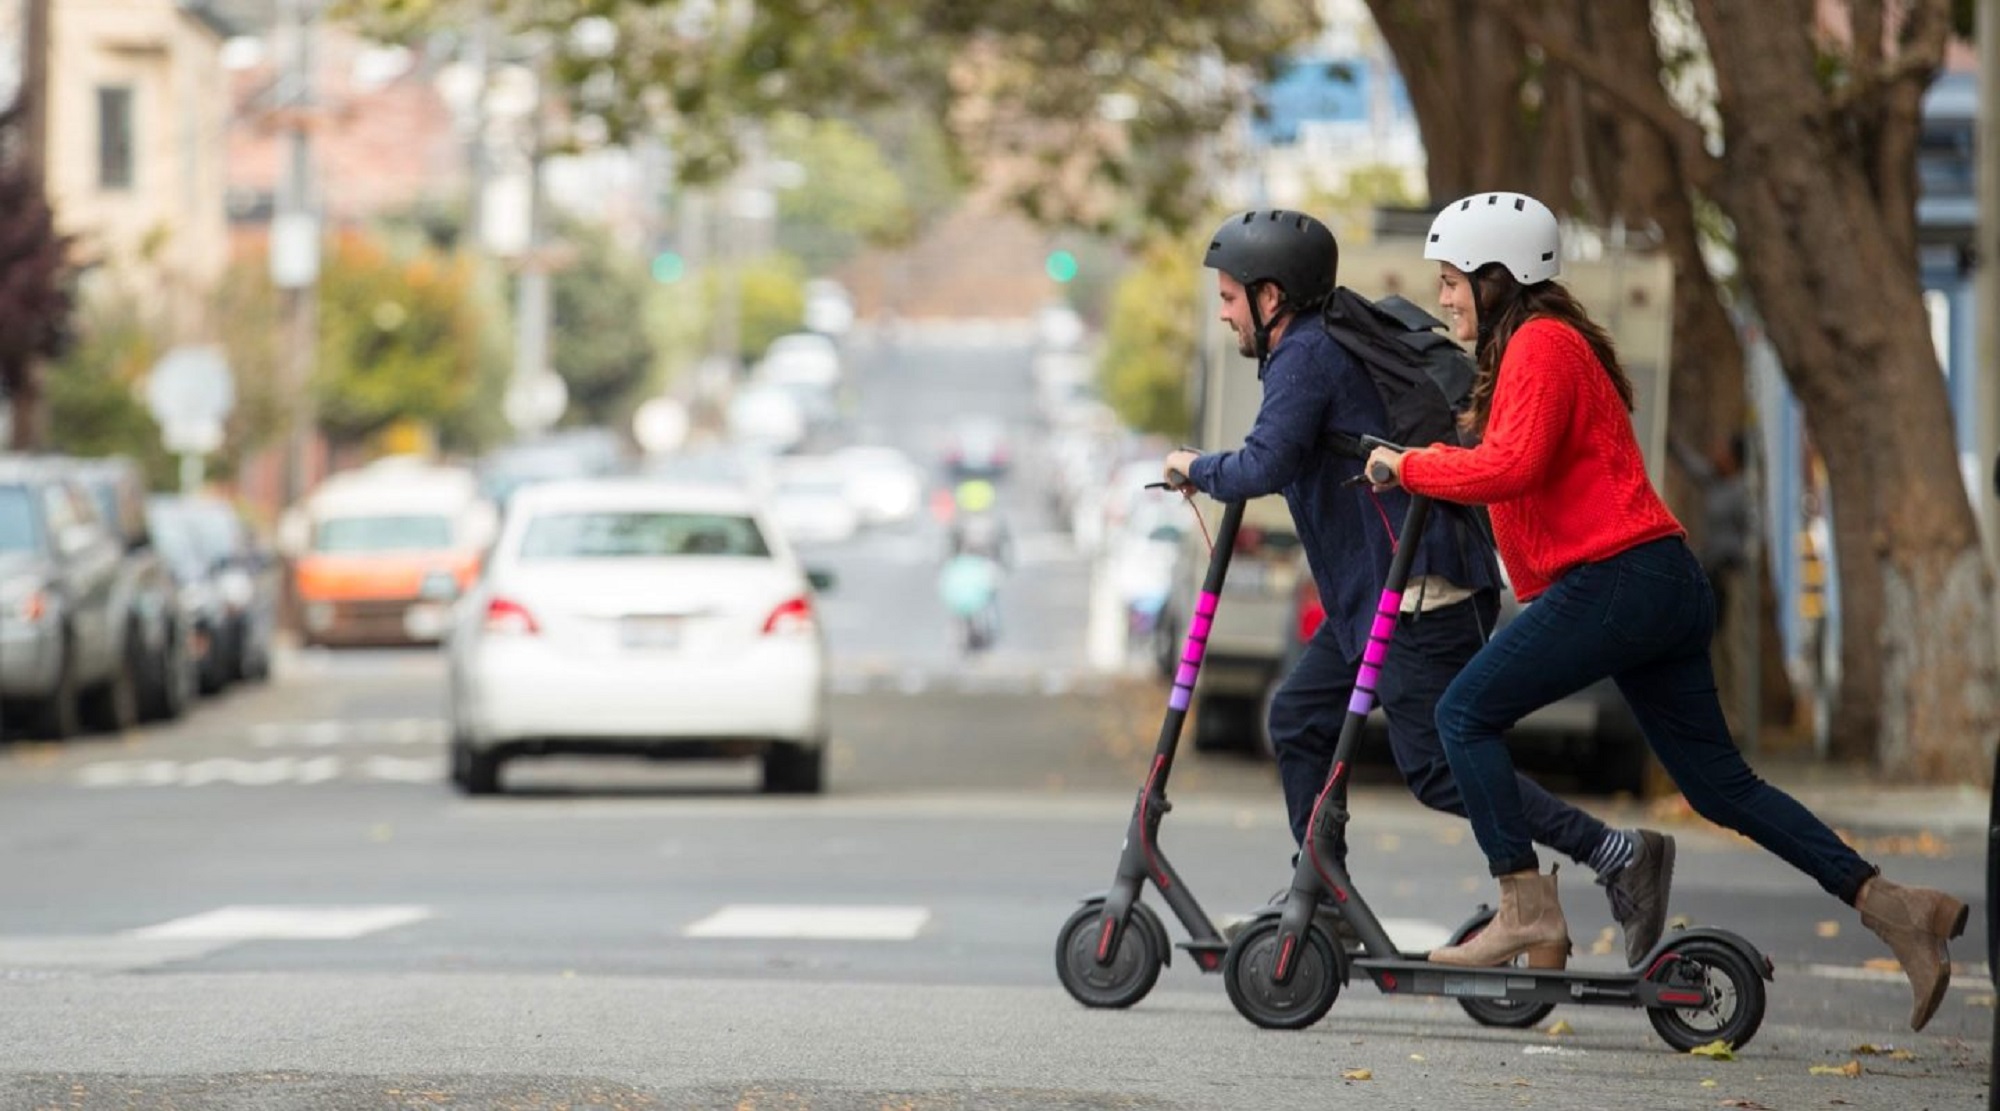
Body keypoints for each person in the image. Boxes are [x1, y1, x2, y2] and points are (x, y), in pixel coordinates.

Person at [1365, 191, 1967, 1029]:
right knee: (1721, 787)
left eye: (1453, 280)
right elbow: (1516, 466)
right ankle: (1896, 905)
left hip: (1617, 581)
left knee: (1461, 713)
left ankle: (1525, 904)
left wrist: (1413, 465)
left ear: (1498, 277)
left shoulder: (1542, 343)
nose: (1444, 296)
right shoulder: (1535, 348)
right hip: (1653, 583)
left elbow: (1511, 466)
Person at [1163, 208, 1675, 964]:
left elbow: (1264, 462)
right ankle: (1324, 893)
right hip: (1372, 597)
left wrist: (1194, 466)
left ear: (1272, 297)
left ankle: (1614, 850)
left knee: (1438, 765)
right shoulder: (1321, 336)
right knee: (1300, 718)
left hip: (1418, 590)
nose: (1224, 310)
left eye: (1231, 295)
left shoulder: (1308, 352)